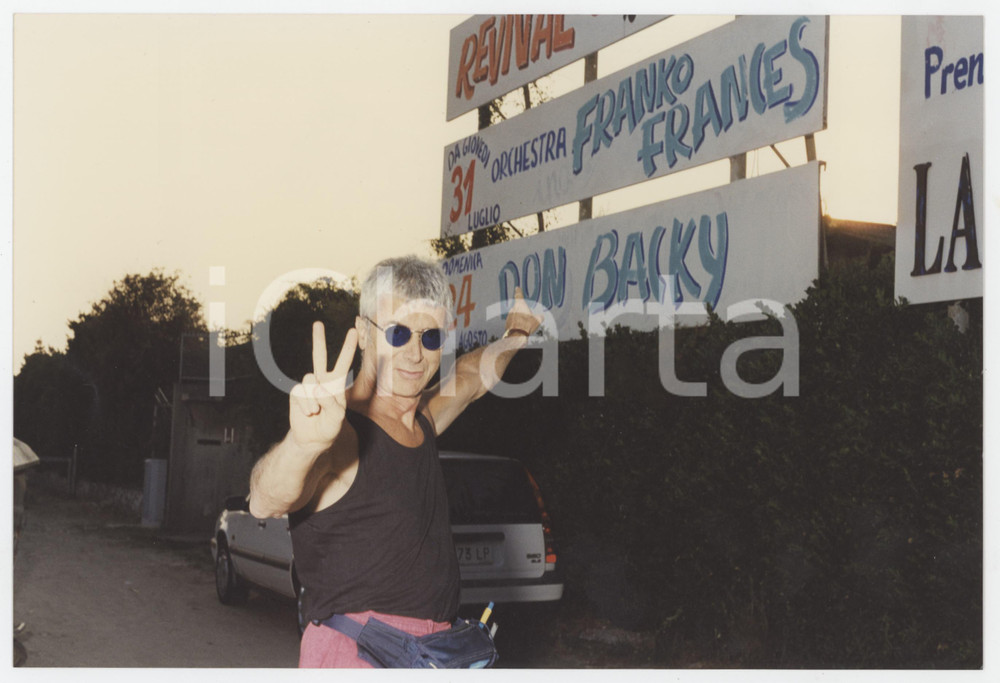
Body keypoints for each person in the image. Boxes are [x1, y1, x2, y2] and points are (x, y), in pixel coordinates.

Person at [248, 255, 541, 668]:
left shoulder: (420, 416)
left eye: (431, 337)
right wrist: (302, 445)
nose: (416, 354)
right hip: (359, 655)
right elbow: (264, 500)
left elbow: (473, 378)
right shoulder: (342, 432)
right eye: (398, 333)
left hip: (433, 653)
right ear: (363, 335)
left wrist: (516, 333)